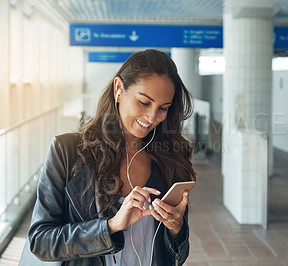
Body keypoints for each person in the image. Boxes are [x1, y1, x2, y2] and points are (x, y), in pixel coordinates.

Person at [27, 49, 197, 266]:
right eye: (144, 102)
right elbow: (41, 241)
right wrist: (111, 226)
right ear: (119, 88)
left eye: (163, 108)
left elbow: (177, 257)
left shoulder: (171, 157)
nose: (152, 117)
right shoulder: (67, 151)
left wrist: (176, 228)